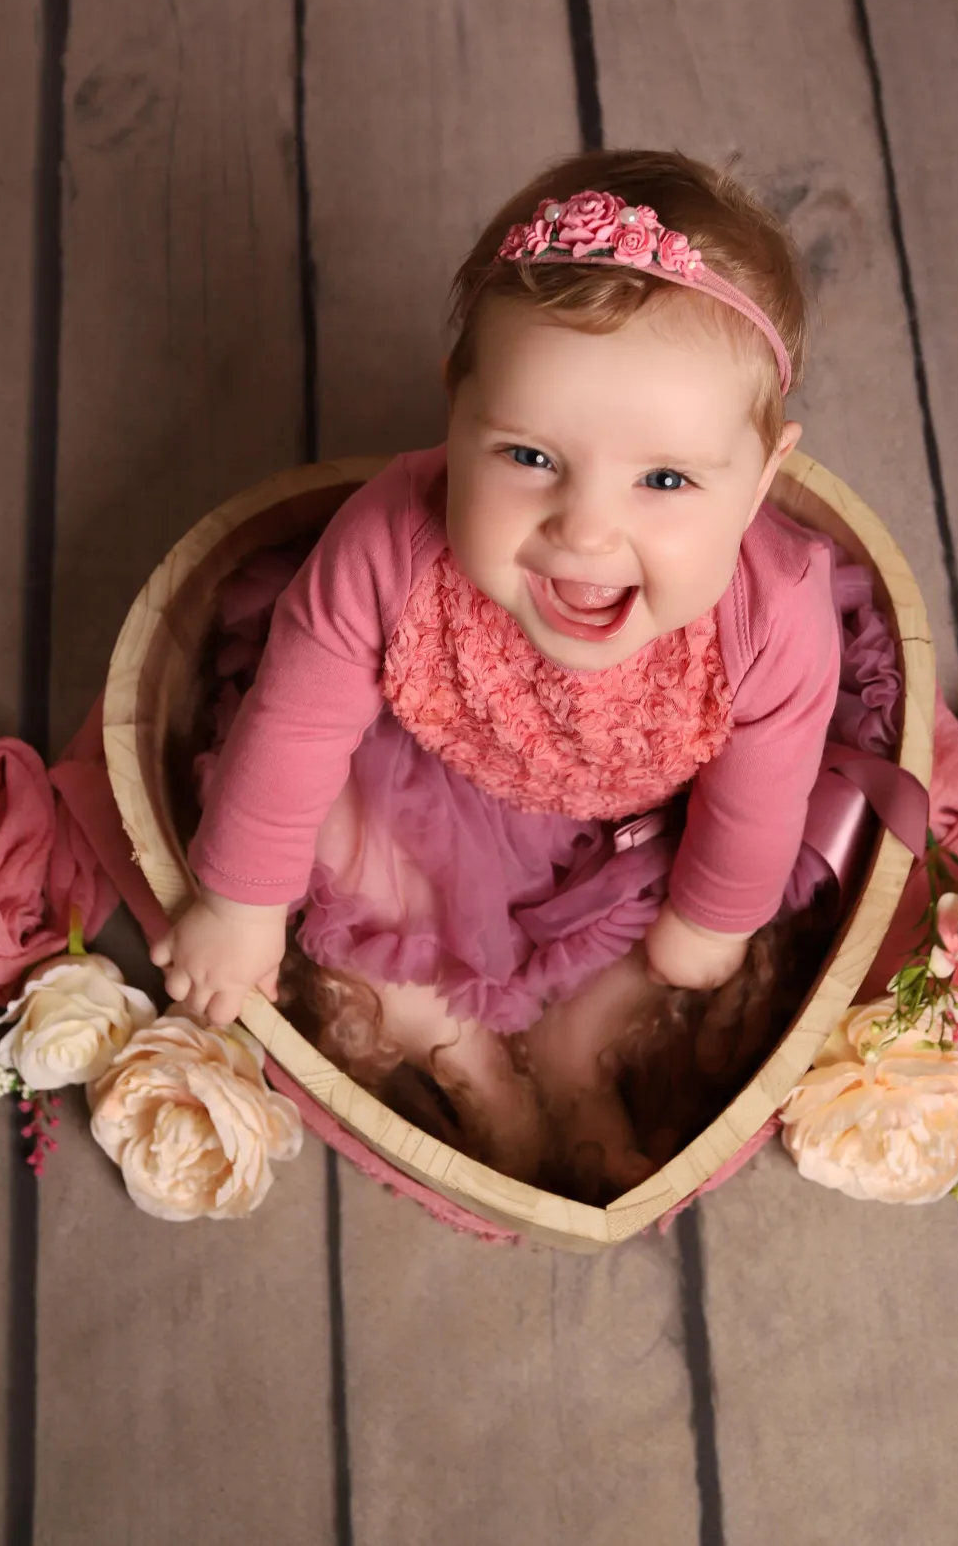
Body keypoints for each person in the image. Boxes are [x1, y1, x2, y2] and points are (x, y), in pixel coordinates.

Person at [151, 149, 841, 1191]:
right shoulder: (390, 539)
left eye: (665, 479)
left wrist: (714, 915)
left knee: (683, 942)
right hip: (428, 785)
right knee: (314, 838)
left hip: (628, 832)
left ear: (759, 482)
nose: (586, 528)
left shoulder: (771, 612)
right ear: (456, 413)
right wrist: (241, 902)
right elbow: (295, 716)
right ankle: (458, 1053)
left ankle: (577, 1058)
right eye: (529, 455)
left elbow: (762, 787)